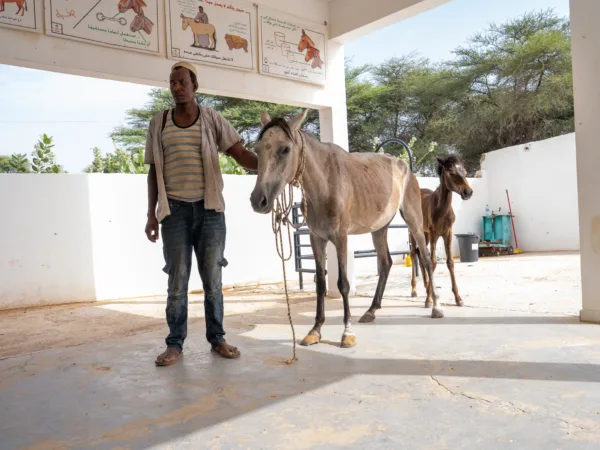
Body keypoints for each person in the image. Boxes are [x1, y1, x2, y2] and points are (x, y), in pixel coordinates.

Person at [144, 61, 258, 366]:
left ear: (195, 85)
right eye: (172, 83)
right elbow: (154, 172)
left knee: (213, 282)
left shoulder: (211, 119)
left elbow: (240, 154)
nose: (177, 88)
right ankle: (175, 344)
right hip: (174, 214)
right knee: (177, 282)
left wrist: (272, 168)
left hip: (210, 213)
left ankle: (217, 338)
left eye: (183, 82)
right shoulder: (159, 123)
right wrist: (151, 215)